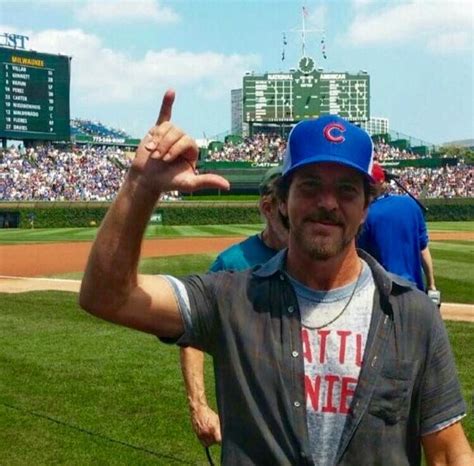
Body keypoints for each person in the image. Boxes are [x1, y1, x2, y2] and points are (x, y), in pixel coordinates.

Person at [79, 90, 472, 465]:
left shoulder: (411, 315)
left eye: (347, 190)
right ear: (283, 200)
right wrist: (141, 185)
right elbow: (107, 295)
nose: (327, 202)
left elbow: (449, 453)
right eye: (310, 185)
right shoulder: (232, 298)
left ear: (366, 206)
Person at [180, 166, 288, 447]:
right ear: (268, 207)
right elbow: (193, 332)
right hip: (248, 430)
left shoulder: (320, 260)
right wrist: (199, 406)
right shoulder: (231, 264)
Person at [356, 162, 436, 292]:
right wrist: (431, 284)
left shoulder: (365, 215)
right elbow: (423, 250)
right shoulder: (410, 204)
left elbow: (359, 257)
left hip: (384, 291)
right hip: (415, 290)